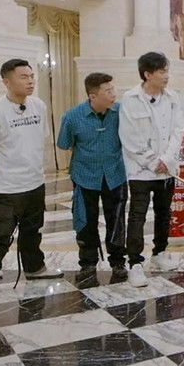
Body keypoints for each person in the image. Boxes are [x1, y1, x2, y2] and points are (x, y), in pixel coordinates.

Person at [0, 59, 63, 315]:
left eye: (31, 76)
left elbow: (40, 140)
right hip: (5, 190)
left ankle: (34, 268)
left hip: (35, 183)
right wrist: (1, 171)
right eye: (24, 77)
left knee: (32, 231)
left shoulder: (39, 106)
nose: (30, 81)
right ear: (7, 82)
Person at [119, 52, 184, 287]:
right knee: (137, 215)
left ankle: (160, 253)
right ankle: (135, 263)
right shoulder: (130, 99)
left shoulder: (173, 98)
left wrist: (166, 159)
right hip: (140, 169)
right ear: (147, 74)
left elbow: (178, 130)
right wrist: (152, 161)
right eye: (161, 71)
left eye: (167, 71)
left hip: (167, 169)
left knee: (164, 212)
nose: (166, 76)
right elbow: (129, 137)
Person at [57, 72, 127, 282]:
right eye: (108, 91)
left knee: (116, 220)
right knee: (85, 221)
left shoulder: (121, 112)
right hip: (84, 176)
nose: (113, 94)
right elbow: (64, 144)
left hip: (115, 174)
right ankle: (87, 263)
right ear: (93, 96)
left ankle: (118, 262)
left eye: (113, 89)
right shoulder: (72, 117)